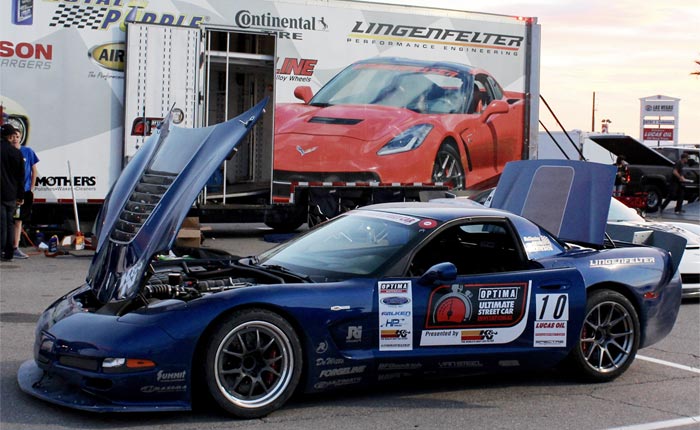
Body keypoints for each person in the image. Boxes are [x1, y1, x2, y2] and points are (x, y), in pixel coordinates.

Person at [11, 129, 39, 259]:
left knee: (18, 220)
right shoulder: (8, 152)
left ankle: (15, 246)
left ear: (21, 137)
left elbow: (34, 171)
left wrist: (31, 188)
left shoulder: (28, 152)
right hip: (10, 191)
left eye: (17, 136)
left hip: (24, 192)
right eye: (13, 136)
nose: (15, 138)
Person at [1, 124, 25, 261]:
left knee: (1, 224)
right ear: (10, 137)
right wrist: (20, 195)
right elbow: (21, 176)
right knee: (9, 223)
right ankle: (9, 252)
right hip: (10, 194)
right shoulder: (16, 153)